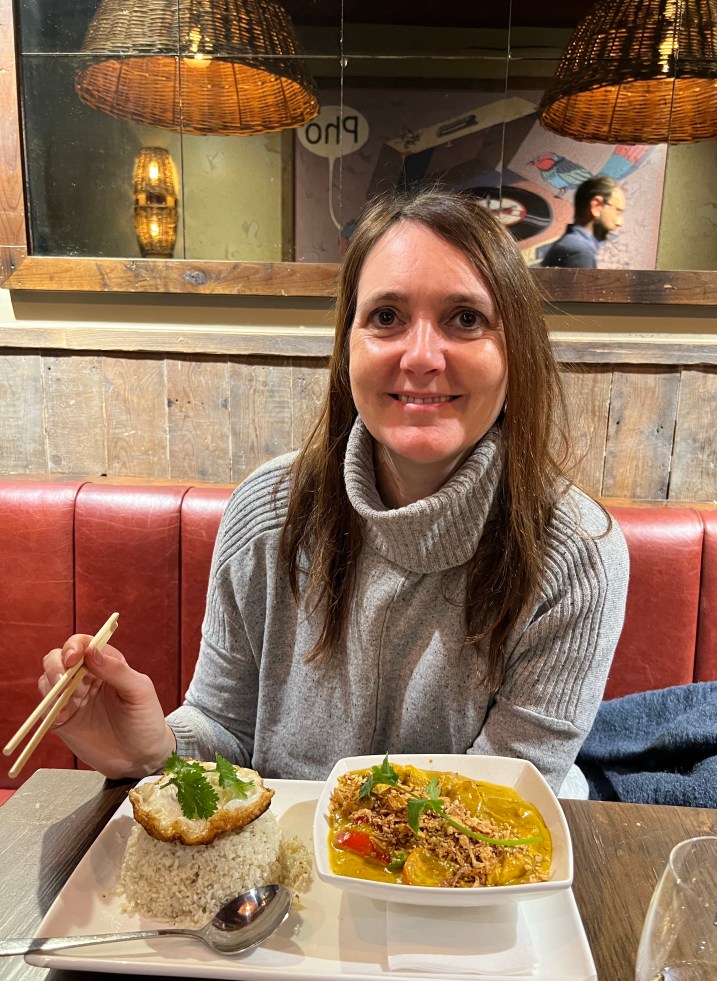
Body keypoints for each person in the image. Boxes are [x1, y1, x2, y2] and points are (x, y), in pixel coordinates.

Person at [39, 184, 629, 797]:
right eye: (386, 317)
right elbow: (225, 727)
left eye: (465, 319)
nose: (421, 357)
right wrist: (154, 751)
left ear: (516, 352)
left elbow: (499, 800)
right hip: (286, 854)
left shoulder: (576, 553)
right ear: (348, 345)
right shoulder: (268, 510)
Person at [540, 176, 625, 269]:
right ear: (596, 206)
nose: (620, 223)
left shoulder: (572, 245)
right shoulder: (579, 251)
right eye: (617, 212)